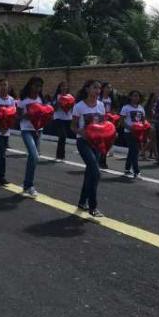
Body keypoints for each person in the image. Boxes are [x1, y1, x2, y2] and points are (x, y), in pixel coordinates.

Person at [71, 80, 105, 217]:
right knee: (96, 173)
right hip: (83, 143)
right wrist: (81, 132)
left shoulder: (101, 105)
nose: (98, 91)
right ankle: (93, 207)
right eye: (94, 88)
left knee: (90, 173)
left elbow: (103, 124)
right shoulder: (79, 106)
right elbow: (72, 126)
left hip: (96, 143)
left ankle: (81, 202)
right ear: (87, 89)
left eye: (99, 88)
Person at [17, 76, 46, 198]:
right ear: (30, 85)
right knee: (34, 155)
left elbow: (43, 115)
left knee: (33, 157)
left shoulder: (40, 99)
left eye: (40, 86)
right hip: (26, 130)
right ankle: (29, 185)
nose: (38, 88)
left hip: (38, 131)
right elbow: (17, 117)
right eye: (36, 85)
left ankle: (26, 184)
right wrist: (27, 115)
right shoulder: (23, 101)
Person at [121, 90, 146, 179]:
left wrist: (142, 128)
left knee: (132, 151)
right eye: (134, 96)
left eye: (138, 96)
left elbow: (143, 121)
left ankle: (127, 169)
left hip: (138, 133)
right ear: (130, 97)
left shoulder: (141, 108)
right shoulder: (126, 108)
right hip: (129, 133)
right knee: (134, 151)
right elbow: (122, 121)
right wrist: (131, 128)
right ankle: (136, 171)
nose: (136, 98)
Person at [53, 81, 73, 161]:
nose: (64, 88)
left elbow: (72, 108)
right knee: (62, 135)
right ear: (59, 88)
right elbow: (54, 109)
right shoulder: (57, 96)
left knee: (63, 137)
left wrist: (70, 104)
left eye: (65, 86)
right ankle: (59, 155)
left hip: (68, 118)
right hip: (58, 118)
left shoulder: (70, 96)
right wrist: (59, 102)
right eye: (62, 86)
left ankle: (61, 155)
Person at [99, 81, 115, 168]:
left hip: (107, 122)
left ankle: (103, 160)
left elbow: (111, 110)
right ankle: (100, 160)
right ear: (103, 88)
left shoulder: (110, 99)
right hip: (100, 121)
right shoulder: (99, 98)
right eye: (107, 87)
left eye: (110, 88)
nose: (109, 89)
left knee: (107, 141)